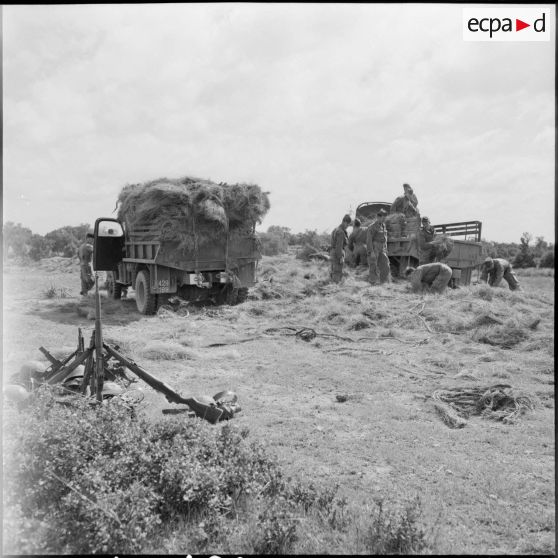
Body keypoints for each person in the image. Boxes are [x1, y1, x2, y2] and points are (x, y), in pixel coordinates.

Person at [366, 209, 391, 285]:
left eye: (384, 218)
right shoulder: (372, 227)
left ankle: (383, 282)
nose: (384, 220)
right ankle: (372, 283)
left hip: (382, 248)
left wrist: (385, 248)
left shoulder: (383, 226)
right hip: (375, 247)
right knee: (373, 266)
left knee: (386, 265)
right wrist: (371, 251)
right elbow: (369, 240)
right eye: (383, 218)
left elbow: (384, 238)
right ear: (378, 217)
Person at [330, 214, 352, 283]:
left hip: (333, 252)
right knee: (337, 272)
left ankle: (331, 287)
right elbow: (339, 246)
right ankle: (335, 289)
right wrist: (340, 257)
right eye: (348, 224)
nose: (348, 226)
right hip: (338, 253)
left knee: (334, 271)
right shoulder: (341, 232)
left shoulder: (335, 229)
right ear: (345, 222)